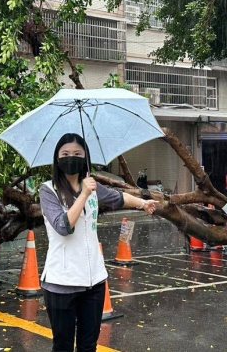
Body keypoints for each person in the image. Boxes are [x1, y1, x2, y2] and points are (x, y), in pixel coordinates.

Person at [40, 133, 159, 352]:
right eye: (65, 154)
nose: (70, 158)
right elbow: (63, 227)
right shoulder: (48, 190)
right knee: (63, 346)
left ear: (85, 158)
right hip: (62, 283)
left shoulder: (92, 187)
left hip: (93, 280)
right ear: (57, 159)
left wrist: (143, 203)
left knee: (88, 346)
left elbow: (118, 197)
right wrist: (83, 194)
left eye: (77, 154)